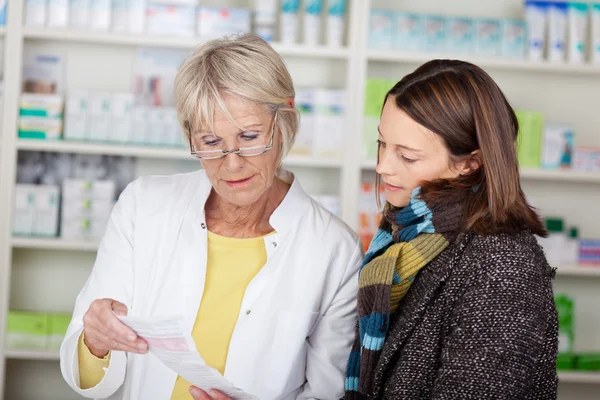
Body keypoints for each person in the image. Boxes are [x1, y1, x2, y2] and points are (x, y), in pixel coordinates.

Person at [60, 33, 363, 400]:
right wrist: (94, 340)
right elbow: (89, 378)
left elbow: (329, 392)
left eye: (249, 136)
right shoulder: (144, 206)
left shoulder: (334, 249)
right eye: (210, 142)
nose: (231, 164)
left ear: (284, 118)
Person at [344, 60, 558, 399]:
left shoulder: (502, 266)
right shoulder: (409, 234)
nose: (383, 166)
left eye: (408, 157)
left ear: (469, 163)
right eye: (382, 143)